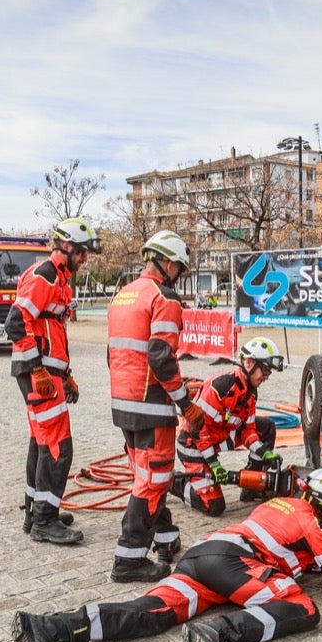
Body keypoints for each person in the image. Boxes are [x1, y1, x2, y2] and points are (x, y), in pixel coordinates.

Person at [12, 466, 322, 642]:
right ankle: (221, 632)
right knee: (301, 606)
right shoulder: (313, 520)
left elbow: (306, 553)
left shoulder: (288, 506)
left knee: (149, 612)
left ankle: (52, 628)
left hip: (202, 558)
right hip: (232, 563)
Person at [106, 230, 202, 582]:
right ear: (170, 263)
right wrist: (185, 402)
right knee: (154, 480)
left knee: (147, 476)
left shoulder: (123, 295)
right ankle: (128, 558)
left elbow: (114, 353)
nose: (179, 275)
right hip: (152, 404)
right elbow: (161, 358)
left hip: (123, 402)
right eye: (180, 268)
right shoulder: (165, 297)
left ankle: (166, 538)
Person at [6, 217, 101, 545]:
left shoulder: (58, 279)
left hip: (47, 372)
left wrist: (65, 374)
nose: (85, 258)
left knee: (42, 442)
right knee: (58, 445)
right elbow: (16, 323)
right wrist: (38, 370)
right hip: (38, 373)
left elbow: (51, 332)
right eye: (83, 252)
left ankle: (37, 512)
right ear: (68, 246)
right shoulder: (46, 275)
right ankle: (45, 521)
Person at [175, 336, 285, 516]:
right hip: (193, 445)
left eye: (268, 373)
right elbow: (198, 432)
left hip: (219, 436)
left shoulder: (250, 393)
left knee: (265, 427)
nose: (266, 377)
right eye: (265, 370)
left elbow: (249, 430)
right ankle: (176, 483)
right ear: (249, 363)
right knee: (214, 507)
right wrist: (214, 464)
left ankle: (252, 488)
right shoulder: (220, 387)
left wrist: (264, 452)